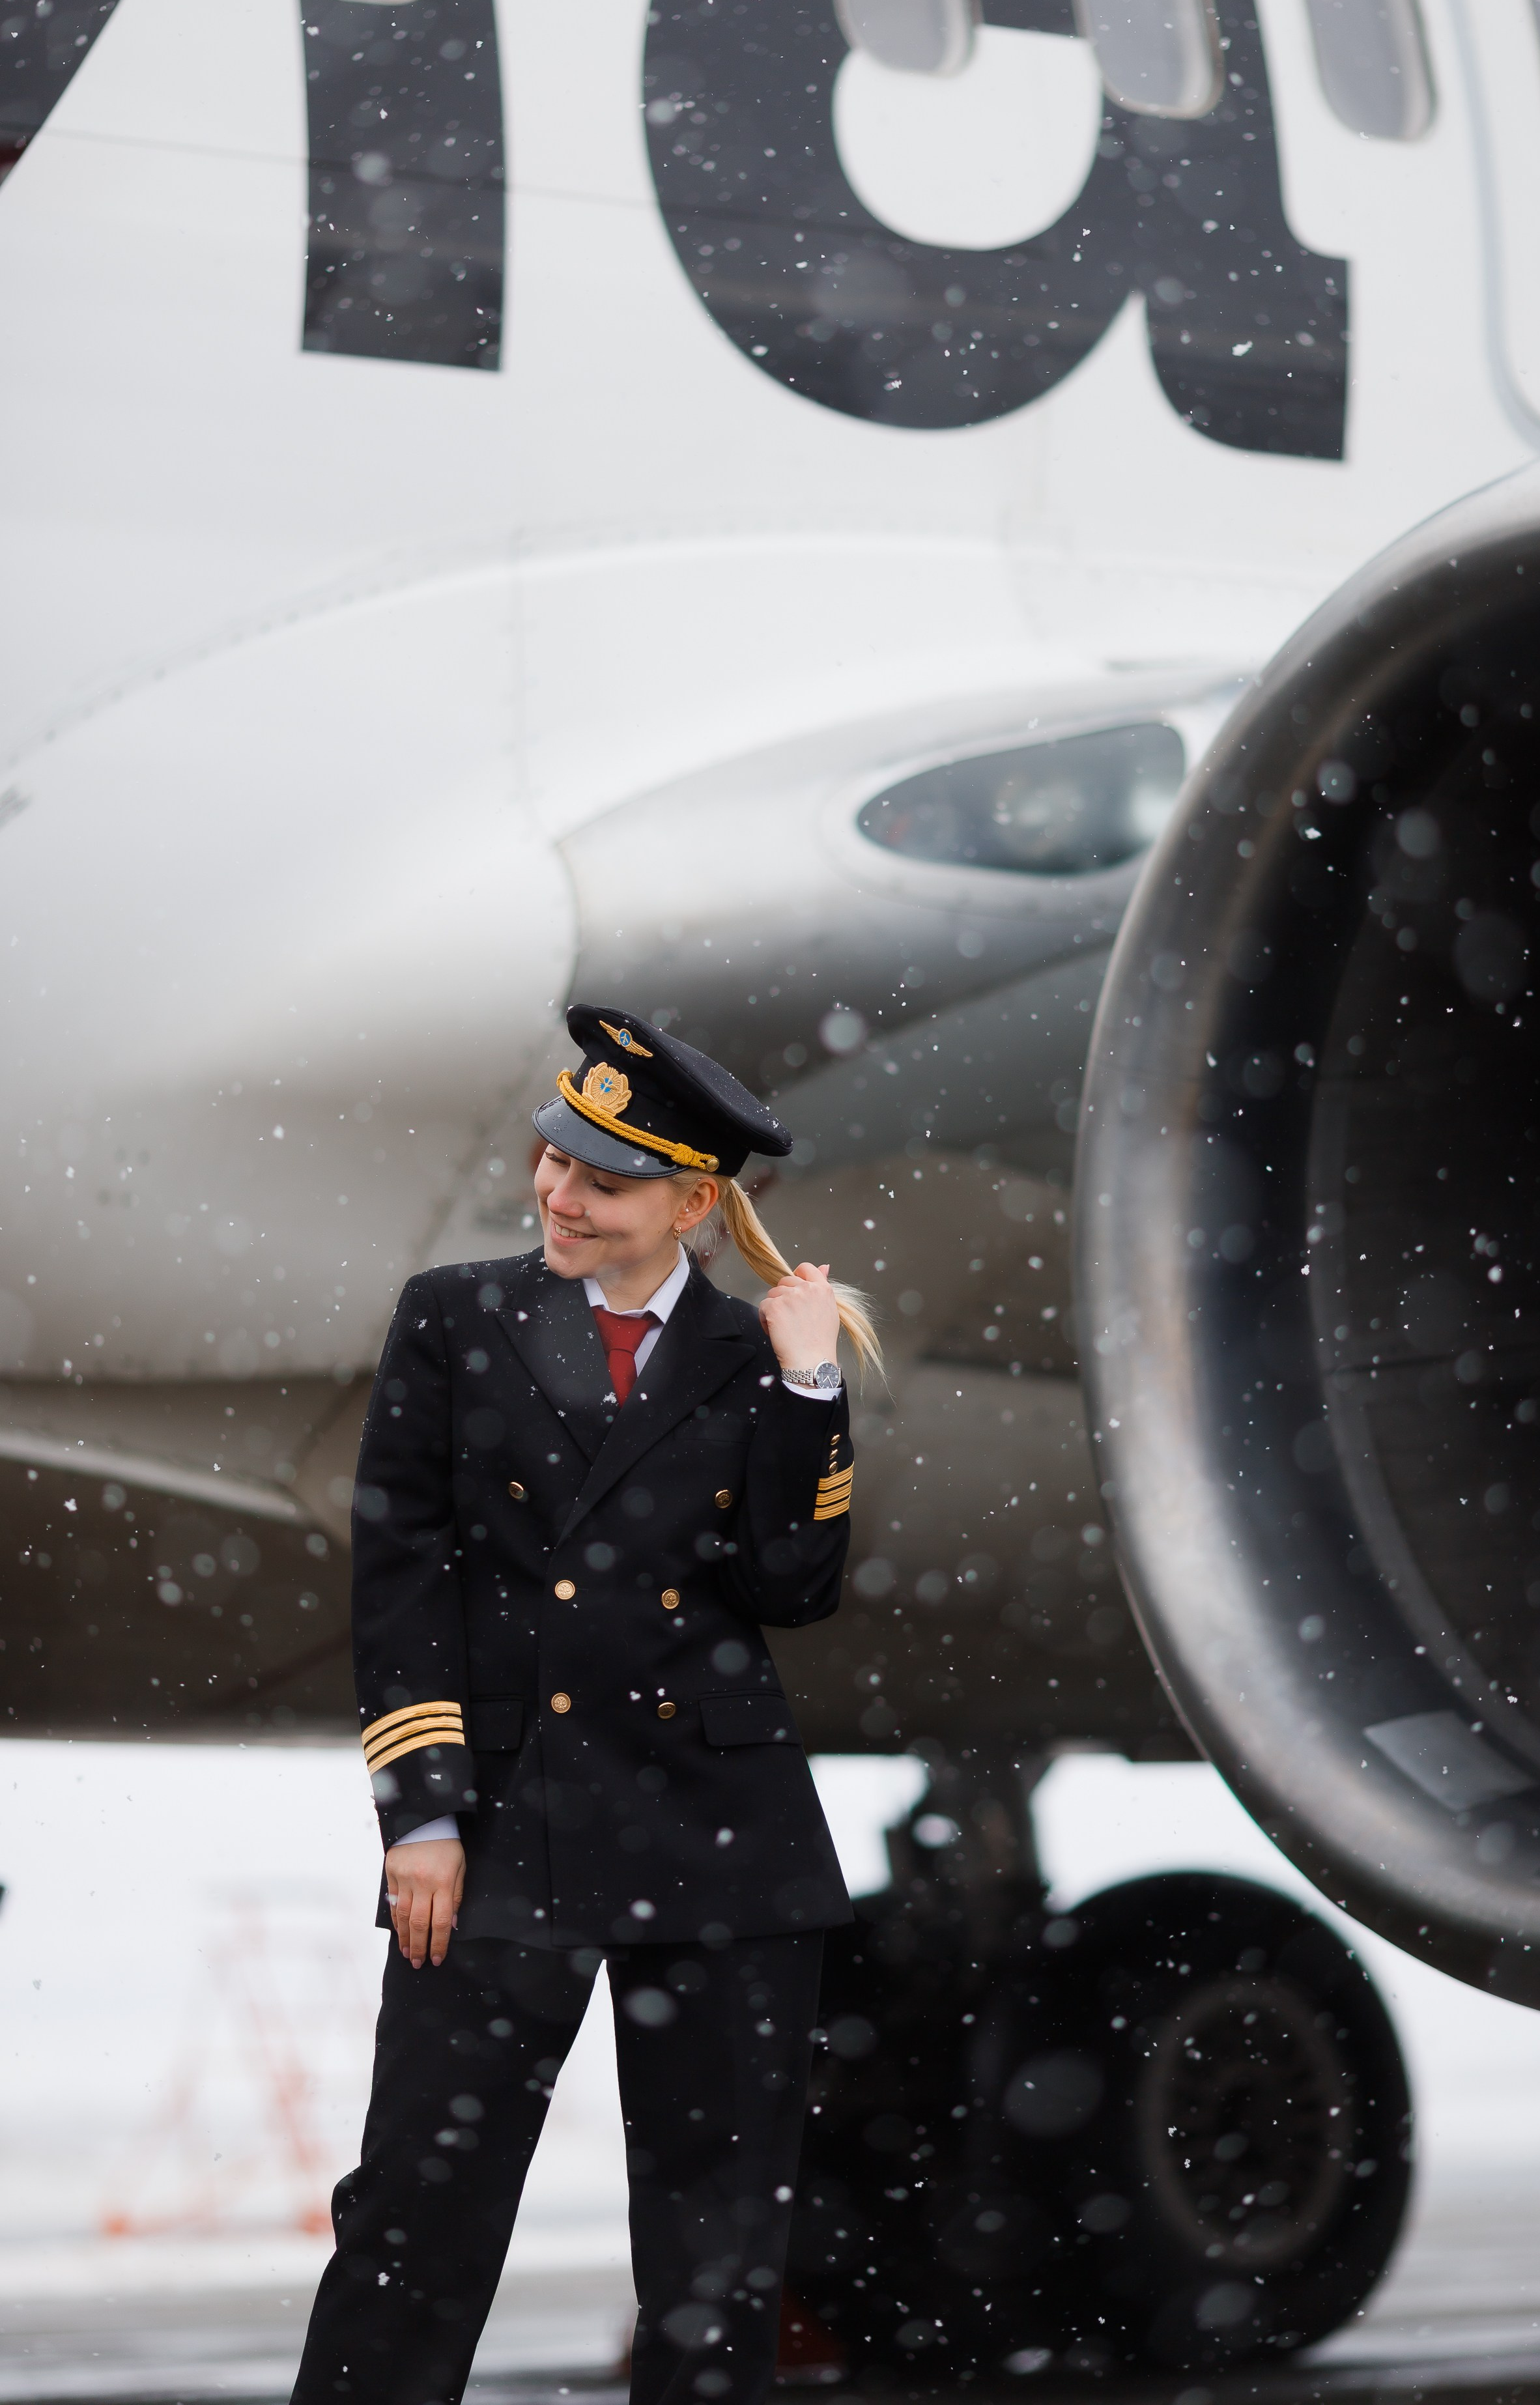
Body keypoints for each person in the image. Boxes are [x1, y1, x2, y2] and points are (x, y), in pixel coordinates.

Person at [291, 1004, 880, 2405]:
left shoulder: (753, 1361)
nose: (556, 1194)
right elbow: (401, 1580)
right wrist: (420, 1812)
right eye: (553, 1158)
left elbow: (791, 1584)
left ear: (690, 1200)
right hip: (498, 1830)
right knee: (415, 2218)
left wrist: (808, 1379)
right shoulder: (455, 1319)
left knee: (714, 2249)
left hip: (721, 1838)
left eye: (601, 1182)